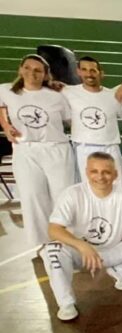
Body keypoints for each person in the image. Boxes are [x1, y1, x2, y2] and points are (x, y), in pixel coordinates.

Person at [40, 152, 122, 321]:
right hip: (81, 253)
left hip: (111, 251)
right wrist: (82, 246)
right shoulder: (72, 194)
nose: (100, 177)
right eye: (94, 171)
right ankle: (66, 304)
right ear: (86, 172)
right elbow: (54, 229)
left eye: (106, 172)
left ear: (115, 174)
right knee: (51, 251)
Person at [0, 54, 76, 247]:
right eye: (27, 68)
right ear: (20, 69)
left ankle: (66, 239)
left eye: (37, 70)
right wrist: (6, 126)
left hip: (56, 149)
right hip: (25, 150)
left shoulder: (58, 96)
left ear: (45, 75)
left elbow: (71, 119)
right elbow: (1, 109)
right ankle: (42, 242)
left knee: (62, 195)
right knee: (32, 195)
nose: (31, 73)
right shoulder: (5, 90)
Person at [62, 56, 122, 188]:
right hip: (84, 148)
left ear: (101, 73)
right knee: (88, 190)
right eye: (84, 69)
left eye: (93, 70)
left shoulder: (113, 95)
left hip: (110, 147)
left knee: (117, 188)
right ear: (78, 72)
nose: (89, 74)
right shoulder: (67, 92)